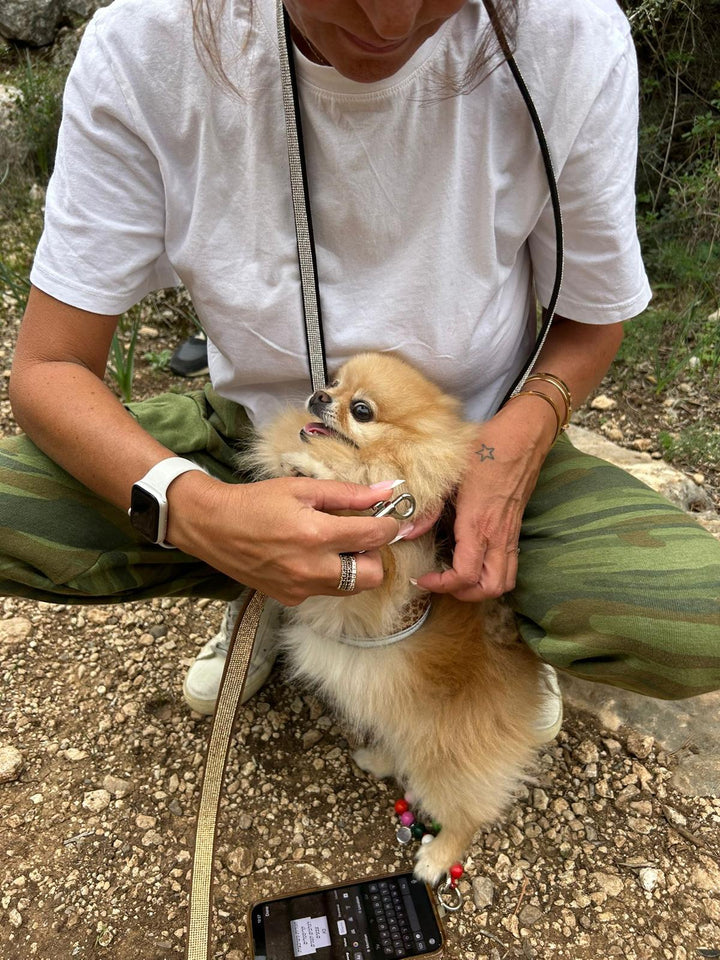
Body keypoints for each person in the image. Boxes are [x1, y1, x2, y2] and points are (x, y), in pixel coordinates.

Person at [3, 0, 719, 731]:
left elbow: (593, 319)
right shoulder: (147, 45)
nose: (389, 21)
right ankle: (262, 584)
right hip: (261, 436)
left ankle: (486, 619)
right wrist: (197, 512)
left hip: (475, 441)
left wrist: (514, 451)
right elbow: (49, 367)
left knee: (691, 620)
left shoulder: (568, 33)